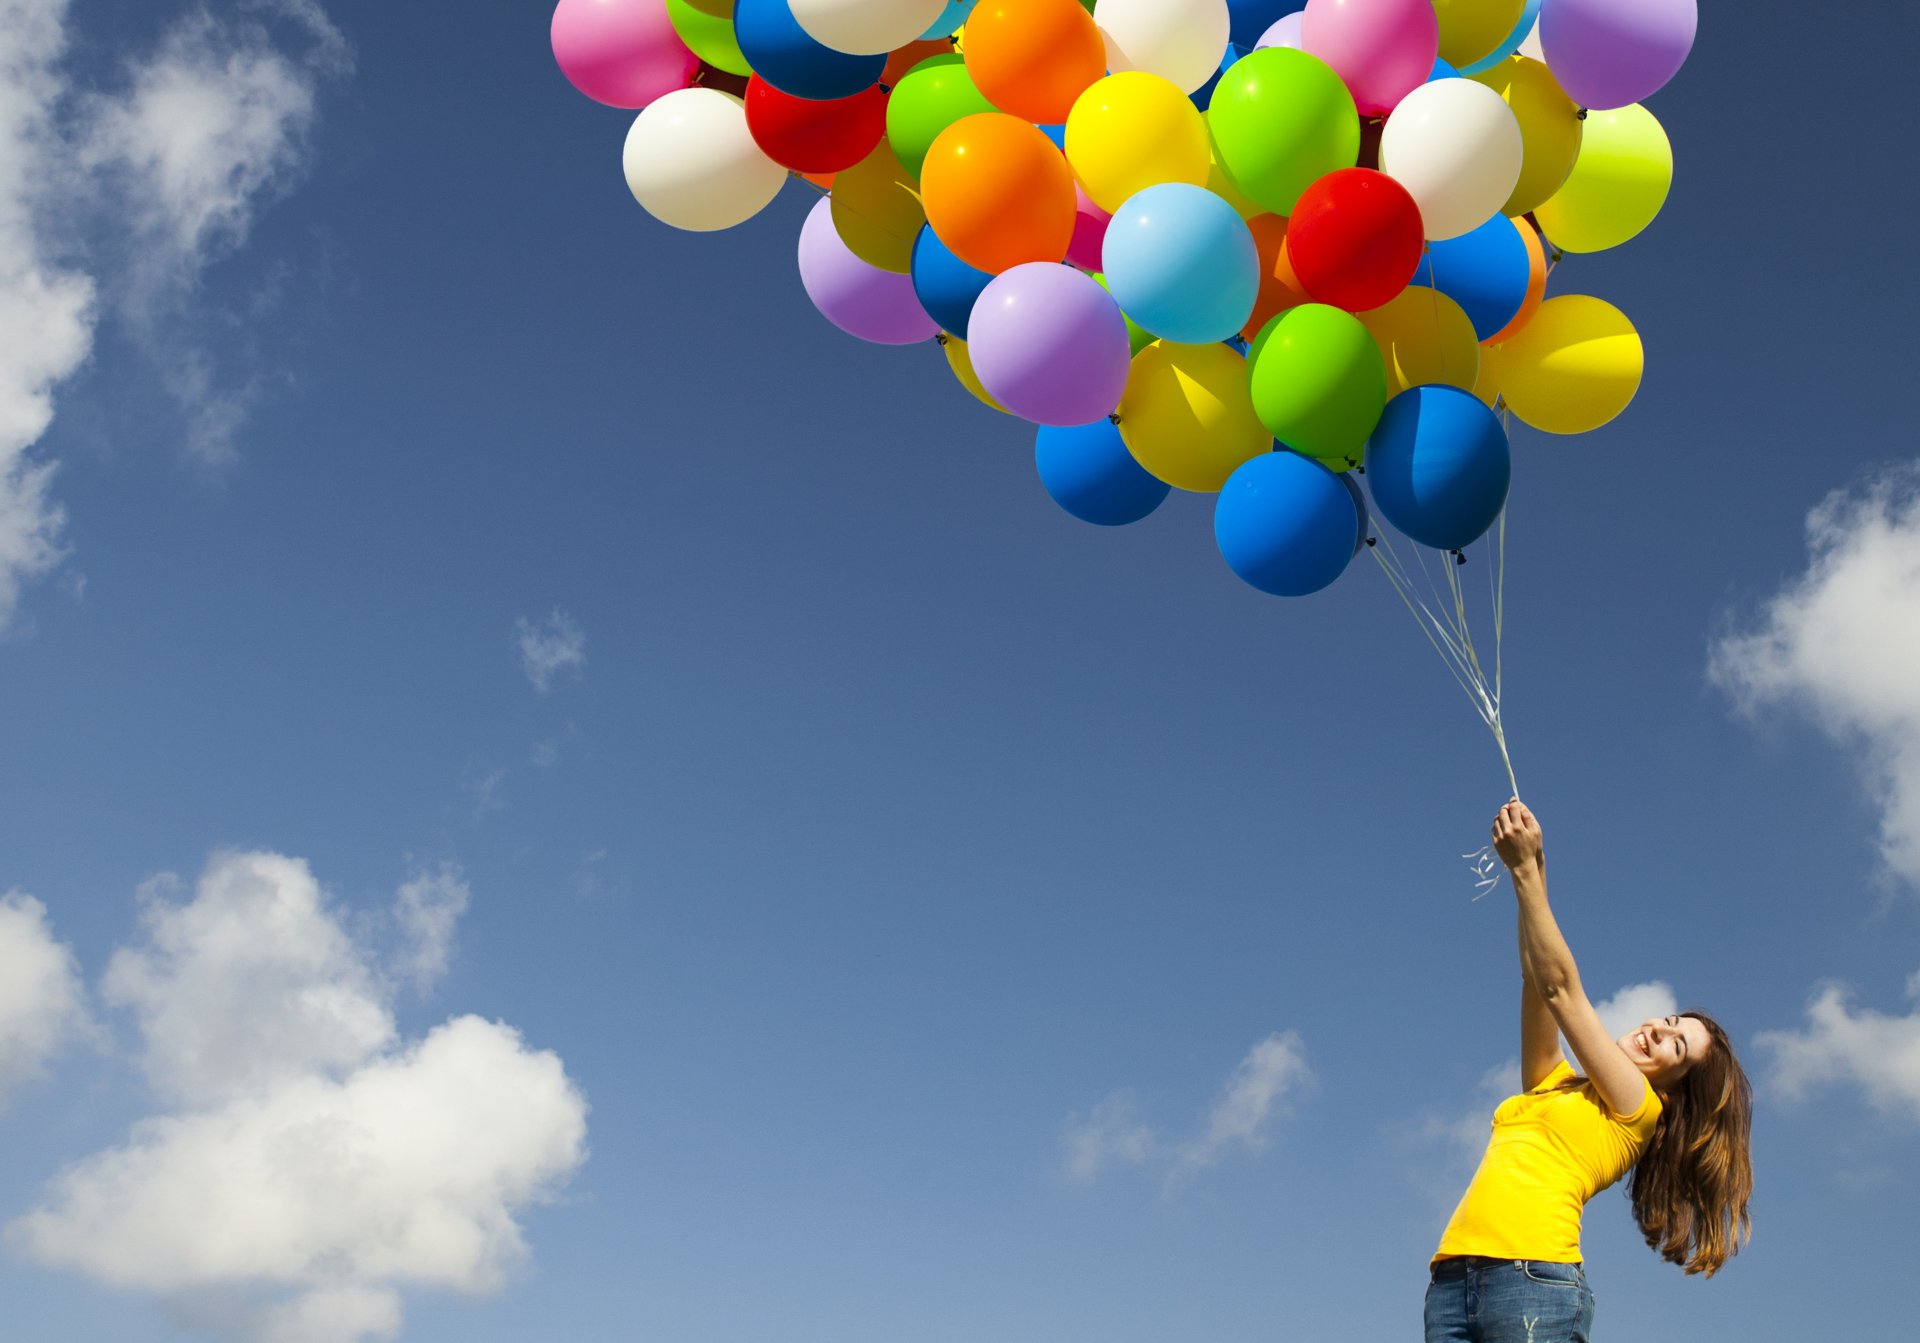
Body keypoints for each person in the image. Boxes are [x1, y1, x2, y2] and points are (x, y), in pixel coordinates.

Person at [1424, 800, 1753, 1343]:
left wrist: (1527, 869)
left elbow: (1562, 990)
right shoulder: (1553, 1082)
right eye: (1670, 1021)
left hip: (1532, 1282)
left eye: (1676, 1046)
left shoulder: (1638, 1110)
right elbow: (1537, 981)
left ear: (1676, 1089)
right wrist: (1530, 871)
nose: (1657, 1031)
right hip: (1453, 1279)